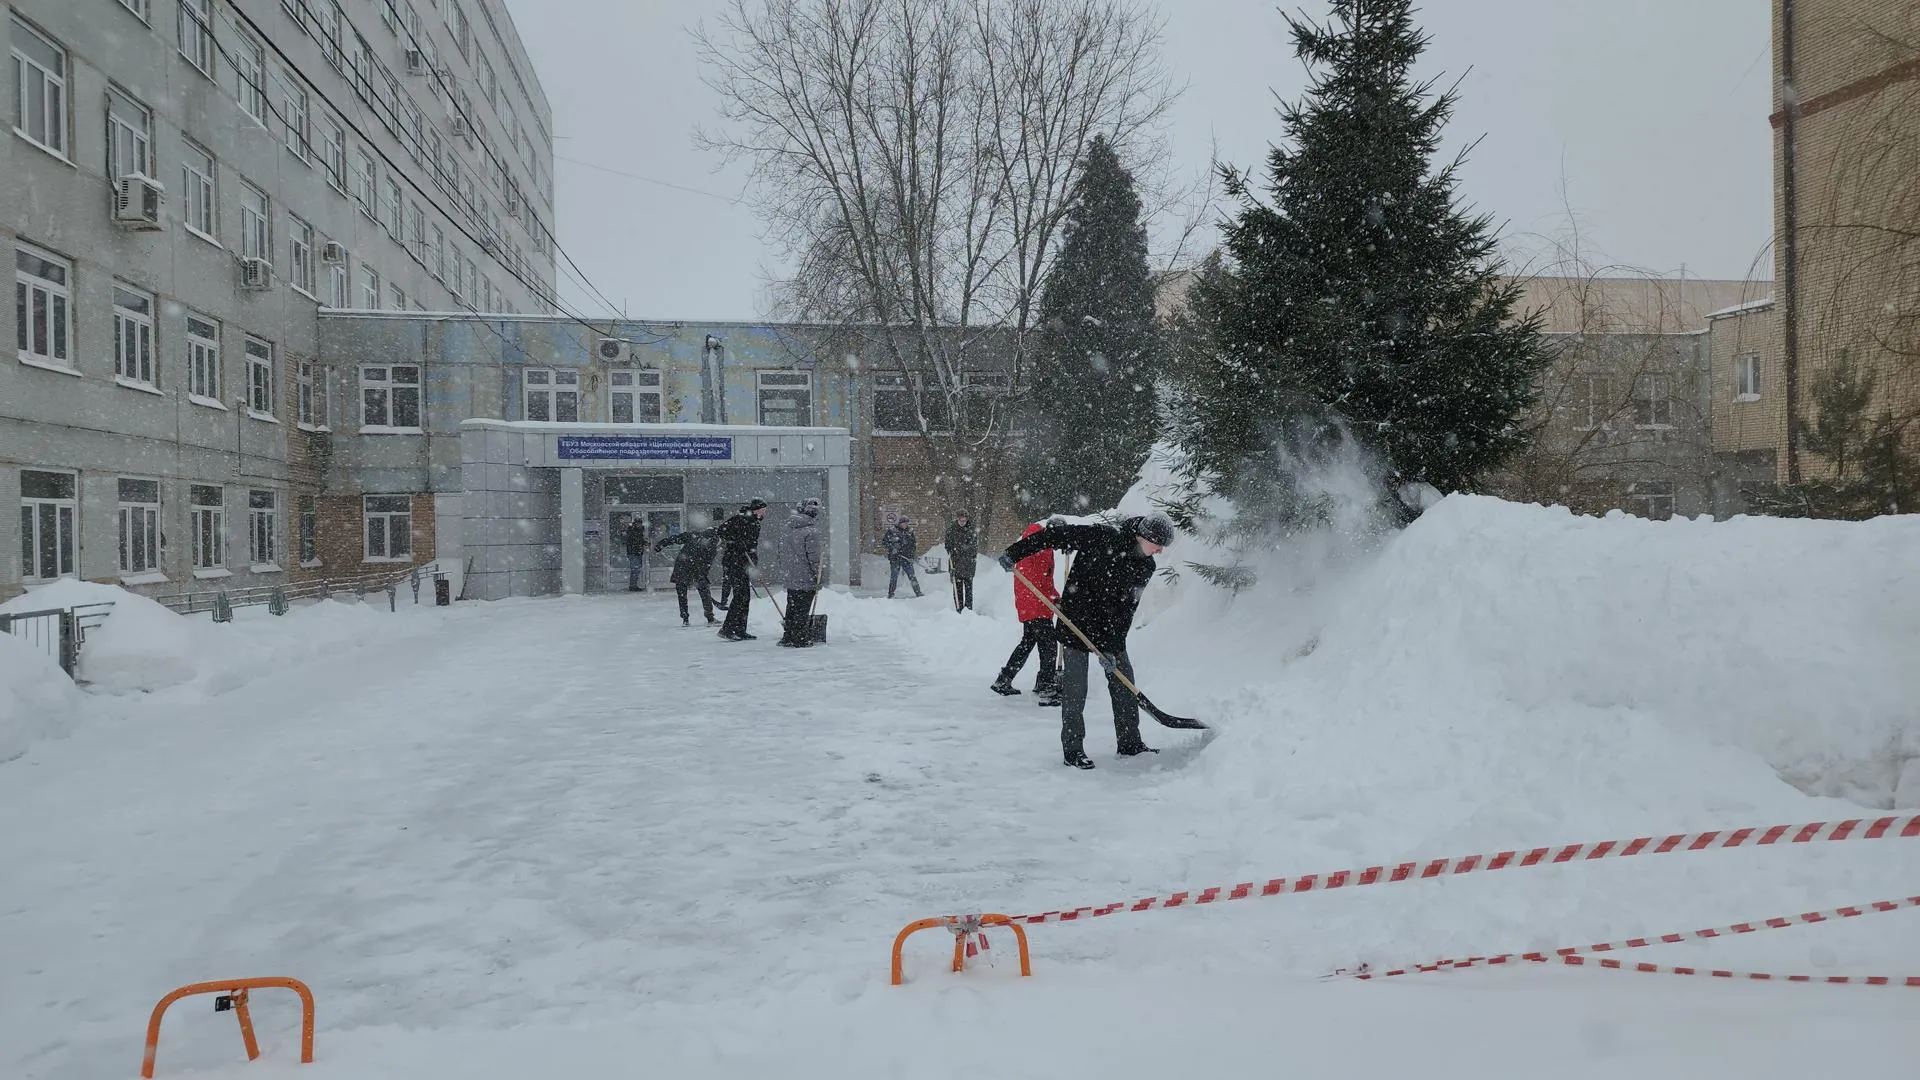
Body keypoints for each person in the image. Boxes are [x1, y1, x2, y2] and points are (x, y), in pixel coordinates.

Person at [997, 513, 1177, 769]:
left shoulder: (1145, 566)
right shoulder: (1101, 536)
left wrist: (1113, 648)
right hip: (1076, 624)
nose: (1159, 551)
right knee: (1075, 689)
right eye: (1157, 544)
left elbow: (1127, 610)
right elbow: (1053, 536)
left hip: (1109, 632)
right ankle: (1073, 750)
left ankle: (1130, 744)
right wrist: (1015, 552)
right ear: (1143, 537)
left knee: (1124, 682)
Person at [991, 517, 1061, 705]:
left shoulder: (1042, 545)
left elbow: (1044, 581)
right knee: (1049, 645)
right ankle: (1046, 687)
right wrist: (1050, 599)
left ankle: (1004, 679)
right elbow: (1036, 580)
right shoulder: (1038, 545)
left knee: (1028, 642)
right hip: (1034, 604)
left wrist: (1055, 598)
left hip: (1032, 603)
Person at [717, 498, 769, 640]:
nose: (764, 513)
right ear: (756, 509)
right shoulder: (740, 518)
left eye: (765, 511)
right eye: (762, 510)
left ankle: (740, 629)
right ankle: (726, 629)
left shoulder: (755, 524)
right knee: (740, 596)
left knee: (745, 597)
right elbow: (721, 530)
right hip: (734, 562)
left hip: (745, 563)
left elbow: (752, 545)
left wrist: (753, 561)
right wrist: (736, 542)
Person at [654, 522, 721, 626]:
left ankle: (685, 619)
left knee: (682, 594)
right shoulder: (712, 544)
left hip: (682, 566)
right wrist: (702, 575)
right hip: (695, 569)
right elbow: (707, 563)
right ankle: (710, 617)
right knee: (704, 592)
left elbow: (675, 538)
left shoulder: (693, 535)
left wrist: (661, 544)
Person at [777, 498, 824, 647]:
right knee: (802, 608)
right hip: (805, 577)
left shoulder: (787, 529)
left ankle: (788, 636)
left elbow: (780, 554)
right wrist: (819, 576)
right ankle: (800, 638)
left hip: (791, 576)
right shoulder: (811, 532)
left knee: (791, 607)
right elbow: (815, 559)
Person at [943, 512, 979, 612]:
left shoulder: (971, 530)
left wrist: (966, 549)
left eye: (964, 520)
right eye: (960, 520)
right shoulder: (952, 530)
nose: (962, 522)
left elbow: (974, 547)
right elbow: (947, 545)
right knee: (957, 588)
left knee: (968, 589)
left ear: (967, 519)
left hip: (968, 564)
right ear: (957, 519)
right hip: (956, 564)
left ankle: (968, 610)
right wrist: (952, 549)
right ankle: (959, 609)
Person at [882, 517, 923, 598]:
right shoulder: (892, 531)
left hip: (906, 559)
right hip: (895, 558)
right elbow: (884, 542)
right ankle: (891, 594)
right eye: (903, 523)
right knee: (894, 577)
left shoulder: (910, 532)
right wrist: (892, 548)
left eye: (906, 523)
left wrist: (912, 555)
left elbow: (913, 545)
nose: (905, 525)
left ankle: (918, 592)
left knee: (912, 576)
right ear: (900, 523)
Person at [621, 516, 650, 591]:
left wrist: (644, 543)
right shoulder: (632, 531)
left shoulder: (638, 531)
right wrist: (643, 543)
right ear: (635, 524)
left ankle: (633, 585)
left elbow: (638, 540)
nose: (639, 525)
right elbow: (633, 541)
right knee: (635, 569)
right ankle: (633, 586)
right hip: (633, 553)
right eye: (638, 523)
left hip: (637, 552)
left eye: (640, 523)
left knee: (636, 569)